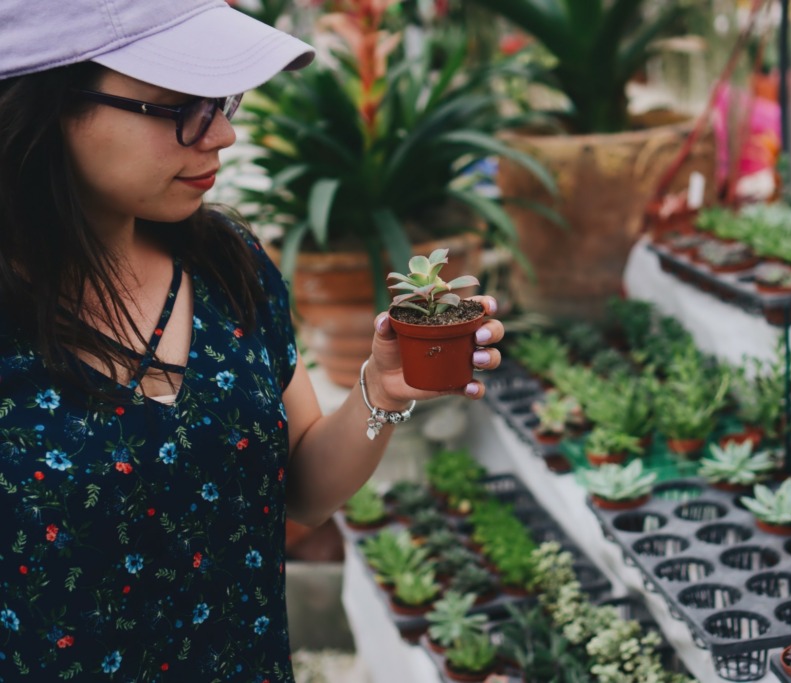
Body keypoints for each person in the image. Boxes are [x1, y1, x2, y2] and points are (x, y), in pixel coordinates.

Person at [0, 0, 504, 679]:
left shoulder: (223, 262)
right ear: (48, 102)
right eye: (180, 104)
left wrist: (380, 390)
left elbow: (301, 489)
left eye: (221, 99)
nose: (222, 133)